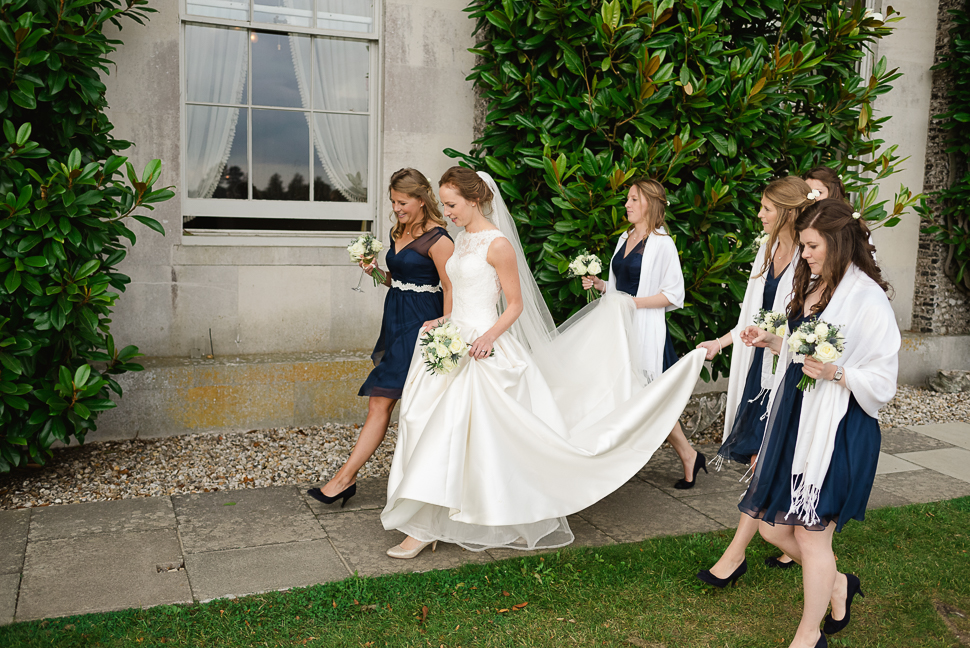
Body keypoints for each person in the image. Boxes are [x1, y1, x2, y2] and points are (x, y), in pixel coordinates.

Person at [380, 168, 706, 559]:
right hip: (455, 342)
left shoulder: (498, 245)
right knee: (426, 422)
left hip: (485, 346)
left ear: (474, 200)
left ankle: (431, 525)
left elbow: (514, 305)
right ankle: (429, 517)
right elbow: (458, 291)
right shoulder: (462, 239)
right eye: (445, 205)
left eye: (451, 204)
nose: (446, 212)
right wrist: (444, 321)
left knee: (464, 433)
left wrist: (488, 337)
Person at [737, 198, 899, 648]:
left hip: (839, 428)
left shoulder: (868, 299)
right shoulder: (816, 287)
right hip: (798, 419)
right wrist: (774, 340)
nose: (804, 254)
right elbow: (805, 345)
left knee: (811, 537)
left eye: (811, 245)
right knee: (770, 526)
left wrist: (836, 373)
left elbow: (884, 380)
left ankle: (808, 636)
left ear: (837, 241)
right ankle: (838, 584)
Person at [307, 169, 454, 506]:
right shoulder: (398, 230)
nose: (396, 207)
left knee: (382, 400)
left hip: (421, 325)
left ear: (421, 199)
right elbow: (400, 280)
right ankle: (352, 479)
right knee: (386, 401)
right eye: (392, 201)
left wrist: (444, 326)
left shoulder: (440, 239)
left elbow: (450, 286)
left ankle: (344, 479)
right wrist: (375, 272)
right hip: (396, 319)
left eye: (402, 202)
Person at [694, 177, 813, 585]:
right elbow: (752, 310)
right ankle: (805, 553)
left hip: (790, 371)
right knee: (759, 460)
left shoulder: (809, 254)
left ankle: (735, 555)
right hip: (759, 366)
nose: (759, 214)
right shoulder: (767, 248)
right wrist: (722, 342)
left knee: (765, 461)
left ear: (787, 211)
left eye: (765, 208)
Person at [581, 179, 701, 489]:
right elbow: (620, 286)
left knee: (650, 399)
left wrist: (633, 304)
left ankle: (687, 455)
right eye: (628, 199)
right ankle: (682, 455)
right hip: (619, 330)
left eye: (634, 199)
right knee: (626, 394)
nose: (627, 204)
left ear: (650, 203)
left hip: (645, 332)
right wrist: (601, 286)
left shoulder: (662, 244)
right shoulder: (626, 237)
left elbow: (673, 295)